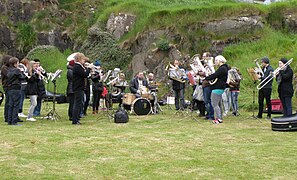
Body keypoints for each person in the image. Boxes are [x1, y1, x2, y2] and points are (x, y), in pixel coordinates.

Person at [205, 55, 229, 124]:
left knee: (214, 103)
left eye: (216, 60)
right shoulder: (224, 68)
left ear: (220, 60)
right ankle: (220, 118)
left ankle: (218, 118)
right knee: (218, 104)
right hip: (219, 87)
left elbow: (215, 75)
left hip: (218, 87)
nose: (215, 62)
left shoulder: (222, 68)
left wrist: (207, 78)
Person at [72, 53, 89, 125]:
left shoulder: (79, 66)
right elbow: (84, 74)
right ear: (79, 59)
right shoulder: (77, 67)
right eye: (83, 59)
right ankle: (75, 120)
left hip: (79, 87)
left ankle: (77, 118)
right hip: (78, 87)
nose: (84, 61)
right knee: (77, 104)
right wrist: (89, 68)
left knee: (79, 103)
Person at [6, 57, 24, 125]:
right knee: (16, 105)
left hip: (10, 88)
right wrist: (21, 71)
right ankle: (14, 121)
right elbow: (22, 77)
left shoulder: (8, 70)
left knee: (10, 105)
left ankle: (9, 120)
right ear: (15, 63)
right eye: (18, 63)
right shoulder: (17, 70)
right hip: (16, 88)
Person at [200, 52, 214, 120]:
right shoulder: (205, 66)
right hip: (204, 84)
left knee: (208, 101)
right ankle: (208, 114)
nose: (203, 58)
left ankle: (211, 115)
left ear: (208, 57)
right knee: (206, 101)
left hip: (208, 85)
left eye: (204, 56)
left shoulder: (210, 65)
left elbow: (210, 74)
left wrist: (203, 73)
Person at [1, 55, 13, 122]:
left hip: (10, 86)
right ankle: (7, 116)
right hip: (7, 86)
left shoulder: (9, 68)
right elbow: (9, 75)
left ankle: (10, 115)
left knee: (11, 101)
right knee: (8, 101)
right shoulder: (4, 68)